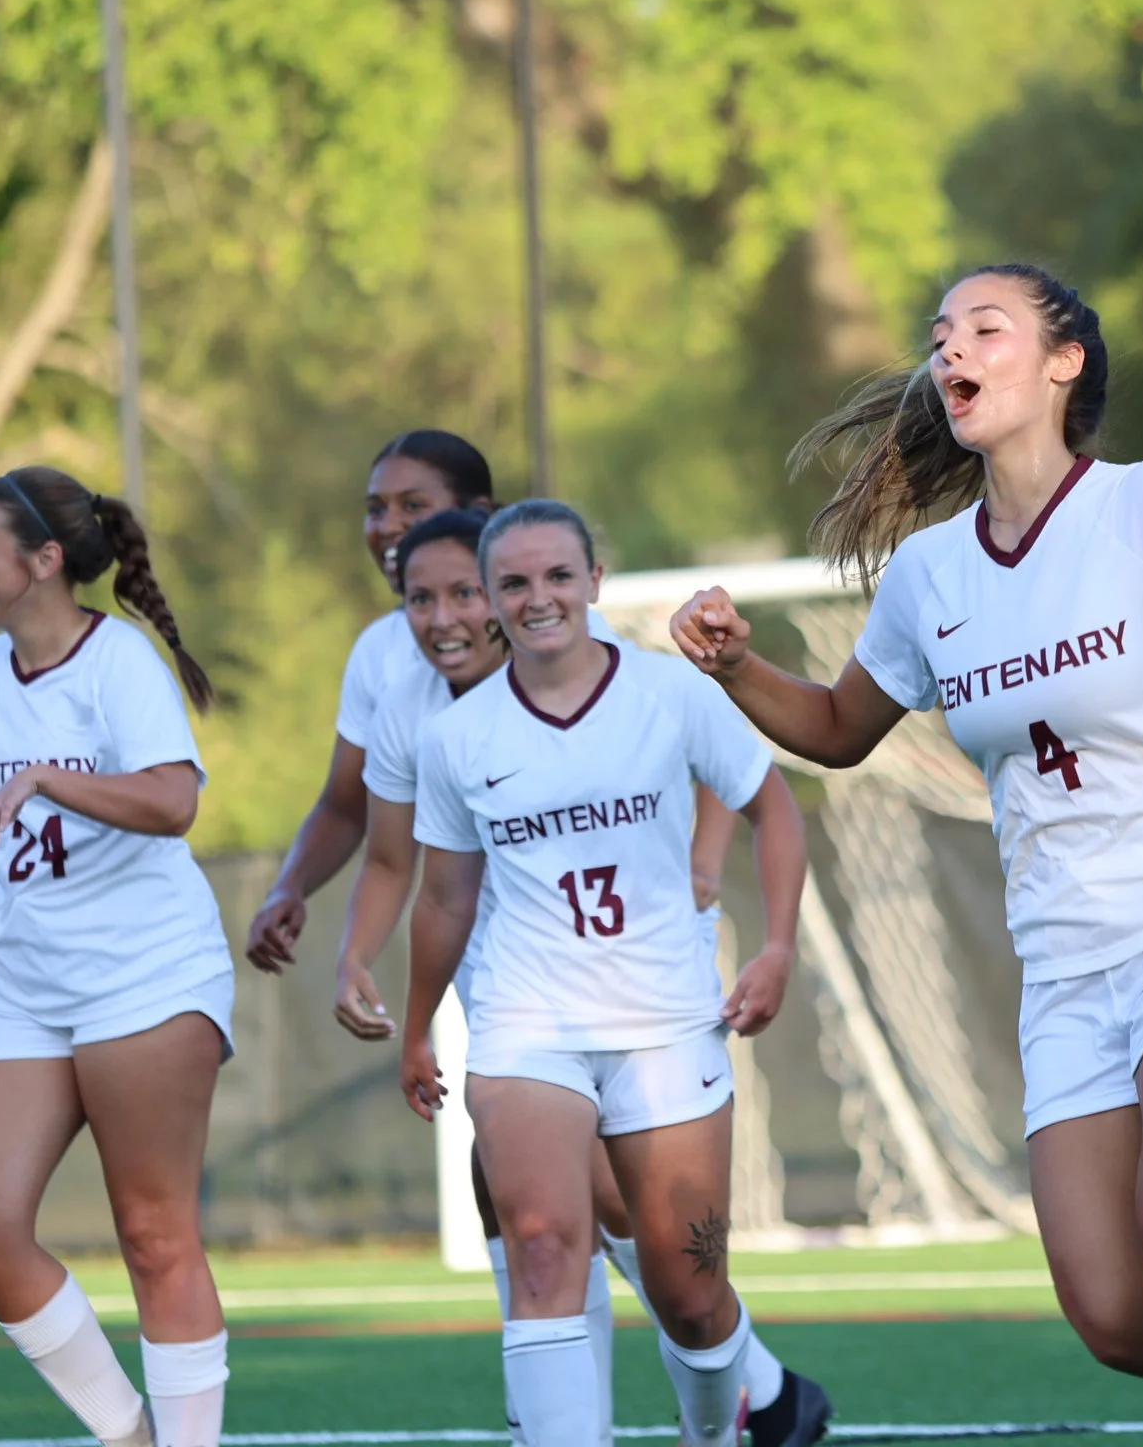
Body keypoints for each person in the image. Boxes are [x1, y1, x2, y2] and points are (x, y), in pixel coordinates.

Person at [668, 265, 1143, 1447]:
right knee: (1119, 1317)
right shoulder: (932, 573)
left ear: (1064, 360)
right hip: (1069, 963)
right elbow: (835, 730)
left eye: (985, 327)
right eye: (940, 335)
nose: (951, 351)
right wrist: (734, 666)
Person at [349, 509, 830, 1447]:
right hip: (527, 1022)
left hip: (664, 1020)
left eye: (558, 577)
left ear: (596, 581)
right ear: (492, 602)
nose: (539, 600)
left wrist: (776, 948)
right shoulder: (458, 738)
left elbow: (774, 812)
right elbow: (443, 898)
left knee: (689, 1294)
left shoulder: (668, 693)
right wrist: (415, 1027)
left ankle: (720, 1427)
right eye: (516, 584)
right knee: (541, 1250)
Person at [0, 466, 234, 1447]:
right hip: (32, 986)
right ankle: (129, 1434)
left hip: (148, 975)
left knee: (153, 1230)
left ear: (44, 561)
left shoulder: (117, 662)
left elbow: (175, 801)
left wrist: (53, 777)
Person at [247, 429, 498, 981]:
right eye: (374, 509)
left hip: (615, 958)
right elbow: (348, 807)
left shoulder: (565, 646)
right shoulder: (383, 659)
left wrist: (699, 867)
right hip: (488, 966)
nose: (387, 526)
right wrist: (291, 885)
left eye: (413, 505)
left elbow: (710, 750)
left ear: (479, 514)